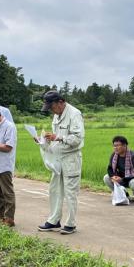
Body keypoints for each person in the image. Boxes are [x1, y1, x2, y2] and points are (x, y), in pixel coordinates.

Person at [37, 90, 85, 235]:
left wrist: (58, 137)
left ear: (60, 102)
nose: (52, 110)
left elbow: (77, 139)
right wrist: (43, 140)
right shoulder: (56, 115)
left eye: (52, 107)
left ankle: (70, 224)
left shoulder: (74, 114)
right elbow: (54, 138)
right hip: (58, 158)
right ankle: (54, 220)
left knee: (70, 192)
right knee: (54, 190)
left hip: (71, 159)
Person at [103, 135, 134, 202]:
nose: (115, 148)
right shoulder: (114, 155)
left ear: (124, 145)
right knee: (106, 177)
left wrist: (122, 179)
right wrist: (113, 176)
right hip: (122, 178)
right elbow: (110, 168)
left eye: (118, 145)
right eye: (114, 145)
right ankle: (124, 194)